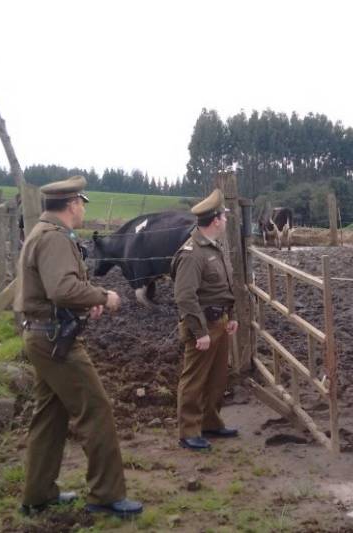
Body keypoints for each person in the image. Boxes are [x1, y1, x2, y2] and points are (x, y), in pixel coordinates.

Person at [14, 175, 143, 518]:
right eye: (82, 204)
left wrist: (84, 303)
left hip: (44, 335)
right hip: (57, 341)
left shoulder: (42, 234)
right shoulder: (54, 239)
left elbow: (57, 290)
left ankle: (38, 494)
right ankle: (106, 495)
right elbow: (61, 289)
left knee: (50, 415)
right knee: (96, 410)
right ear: (72, 204)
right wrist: (104, 296)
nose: (83, 210)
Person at [172, 188, 239, 451]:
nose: (225, 220)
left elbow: (222, 288)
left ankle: (211, 422)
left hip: (220, 322)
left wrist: (229, 316)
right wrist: (200, 332)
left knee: (217, 378)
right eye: (224, 216)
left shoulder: (214, 248)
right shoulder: (192, 253)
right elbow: (185, 297)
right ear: (215, 220)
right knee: (195, 379)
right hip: (203, 326)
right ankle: (188, 431)